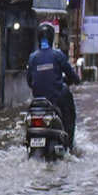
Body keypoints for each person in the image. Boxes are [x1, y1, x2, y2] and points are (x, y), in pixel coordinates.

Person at [26, 21, 81, 149]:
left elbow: (29, 81)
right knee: (67, 95)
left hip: (37, 102)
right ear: (51, 38)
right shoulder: (58, 55)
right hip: (55, 100)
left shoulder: (32, 58)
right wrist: (77, 79)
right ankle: (69, 143)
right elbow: (70, 73)